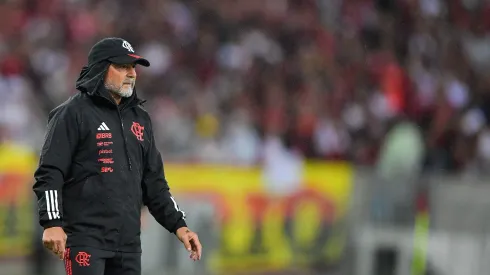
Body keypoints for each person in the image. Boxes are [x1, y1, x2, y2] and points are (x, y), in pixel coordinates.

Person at [32, 37, 202, 275]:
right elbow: (50, 172)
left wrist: (180, 226)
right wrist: (52, 223)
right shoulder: (72, 114)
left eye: (133, 67)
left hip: (128, 244)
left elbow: (155, 184)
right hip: (85, 239)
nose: (131, 73)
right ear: (101, 69)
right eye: (122, 67)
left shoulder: (141, 119)